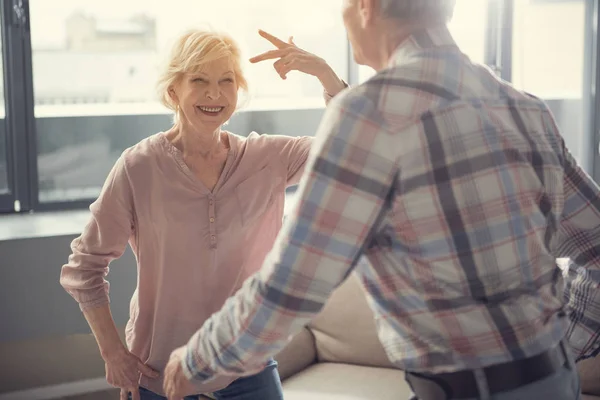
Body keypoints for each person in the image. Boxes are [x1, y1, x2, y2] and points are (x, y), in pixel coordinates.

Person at [161, 1, 600, 399]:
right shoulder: (522, 107)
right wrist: (562, 341)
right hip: (558, 383)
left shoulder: (368, 113)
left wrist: (196, 360)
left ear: (365, 6)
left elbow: (292, 286)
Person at [59, 28, 346, 400]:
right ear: (173, 90)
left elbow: (352, 147)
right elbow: (85, 267)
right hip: (160, 372)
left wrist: (324, 73)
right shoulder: (138, 167)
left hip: (247, 365)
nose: (215, 93)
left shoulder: (268, 159)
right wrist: (113, 353)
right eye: (200, 80)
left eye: (227, 80)